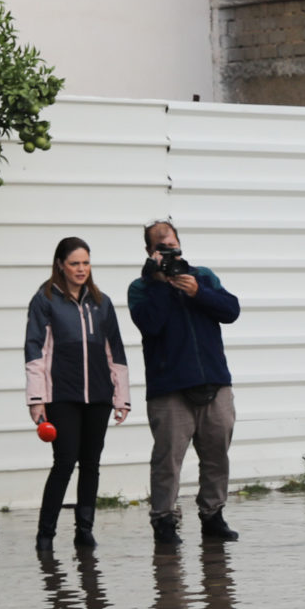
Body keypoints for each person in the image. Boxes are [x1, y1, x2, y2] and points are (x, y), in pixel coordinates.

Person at [126, 220, 242, 548]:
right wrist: (162, 283)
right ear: (150, 252)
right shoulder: (141, 288)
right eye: (161, 247)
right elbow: (150, 325)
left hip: (215, 381)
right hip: (170, 389)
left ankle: (213, 516)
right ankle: (163, 520)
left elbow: (231, 310)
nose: (169, 251)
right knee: (168, 459)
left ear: (180, 244)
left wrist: (197, 291)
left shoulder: (202, 276)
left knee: (217, 454)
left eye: (172, 245)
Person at [22, 236, 131, 555]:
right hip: (62, 395)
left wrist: (120, 397)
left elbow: (116, 351)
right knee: (64, 462)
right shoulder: (45, 300)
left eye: (86, 262)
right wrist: (37, 399)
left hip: (98, 394)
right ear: (60, 265)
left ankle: (84, 530)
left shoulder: (102, 302)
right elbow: (35, 350)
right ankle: (46, 535)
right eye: (74, 263)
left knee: (92, 464)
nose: (81, 269)